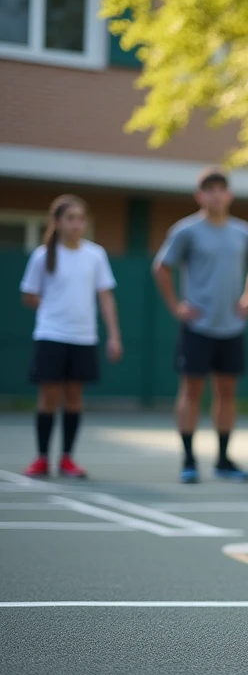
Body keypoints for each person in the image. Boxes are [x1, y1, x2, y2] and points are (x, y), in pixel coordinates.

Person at [153, 167, 248, 484]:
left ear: (229, 195)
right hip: (197, 327)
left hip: (231, 328)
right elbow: (161, 268)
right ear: (199, 195)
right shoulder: (186, 231)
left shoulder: (244, 232)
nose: (216, 195)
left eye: (221, 189)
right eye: (209, 189)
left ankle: (223, 459)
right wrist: (177, 305)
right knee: (191, 390)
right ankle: (189, 459)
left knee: (227, 392)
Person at [20, 195, 123, 478]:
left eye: (81, 218)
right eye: (71, 218)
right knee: (49, 397)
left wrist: (114, 335)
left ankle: (67, 458)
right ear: (57, 222)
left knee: (75, 397)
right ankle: (42, 458)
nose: (77, 224)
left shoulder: (96, 255)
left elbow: (105, 297)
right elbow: (29, 295)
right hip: (51, 334)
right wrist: (53, 308)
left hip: (84, 337)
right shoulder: (42, 256)